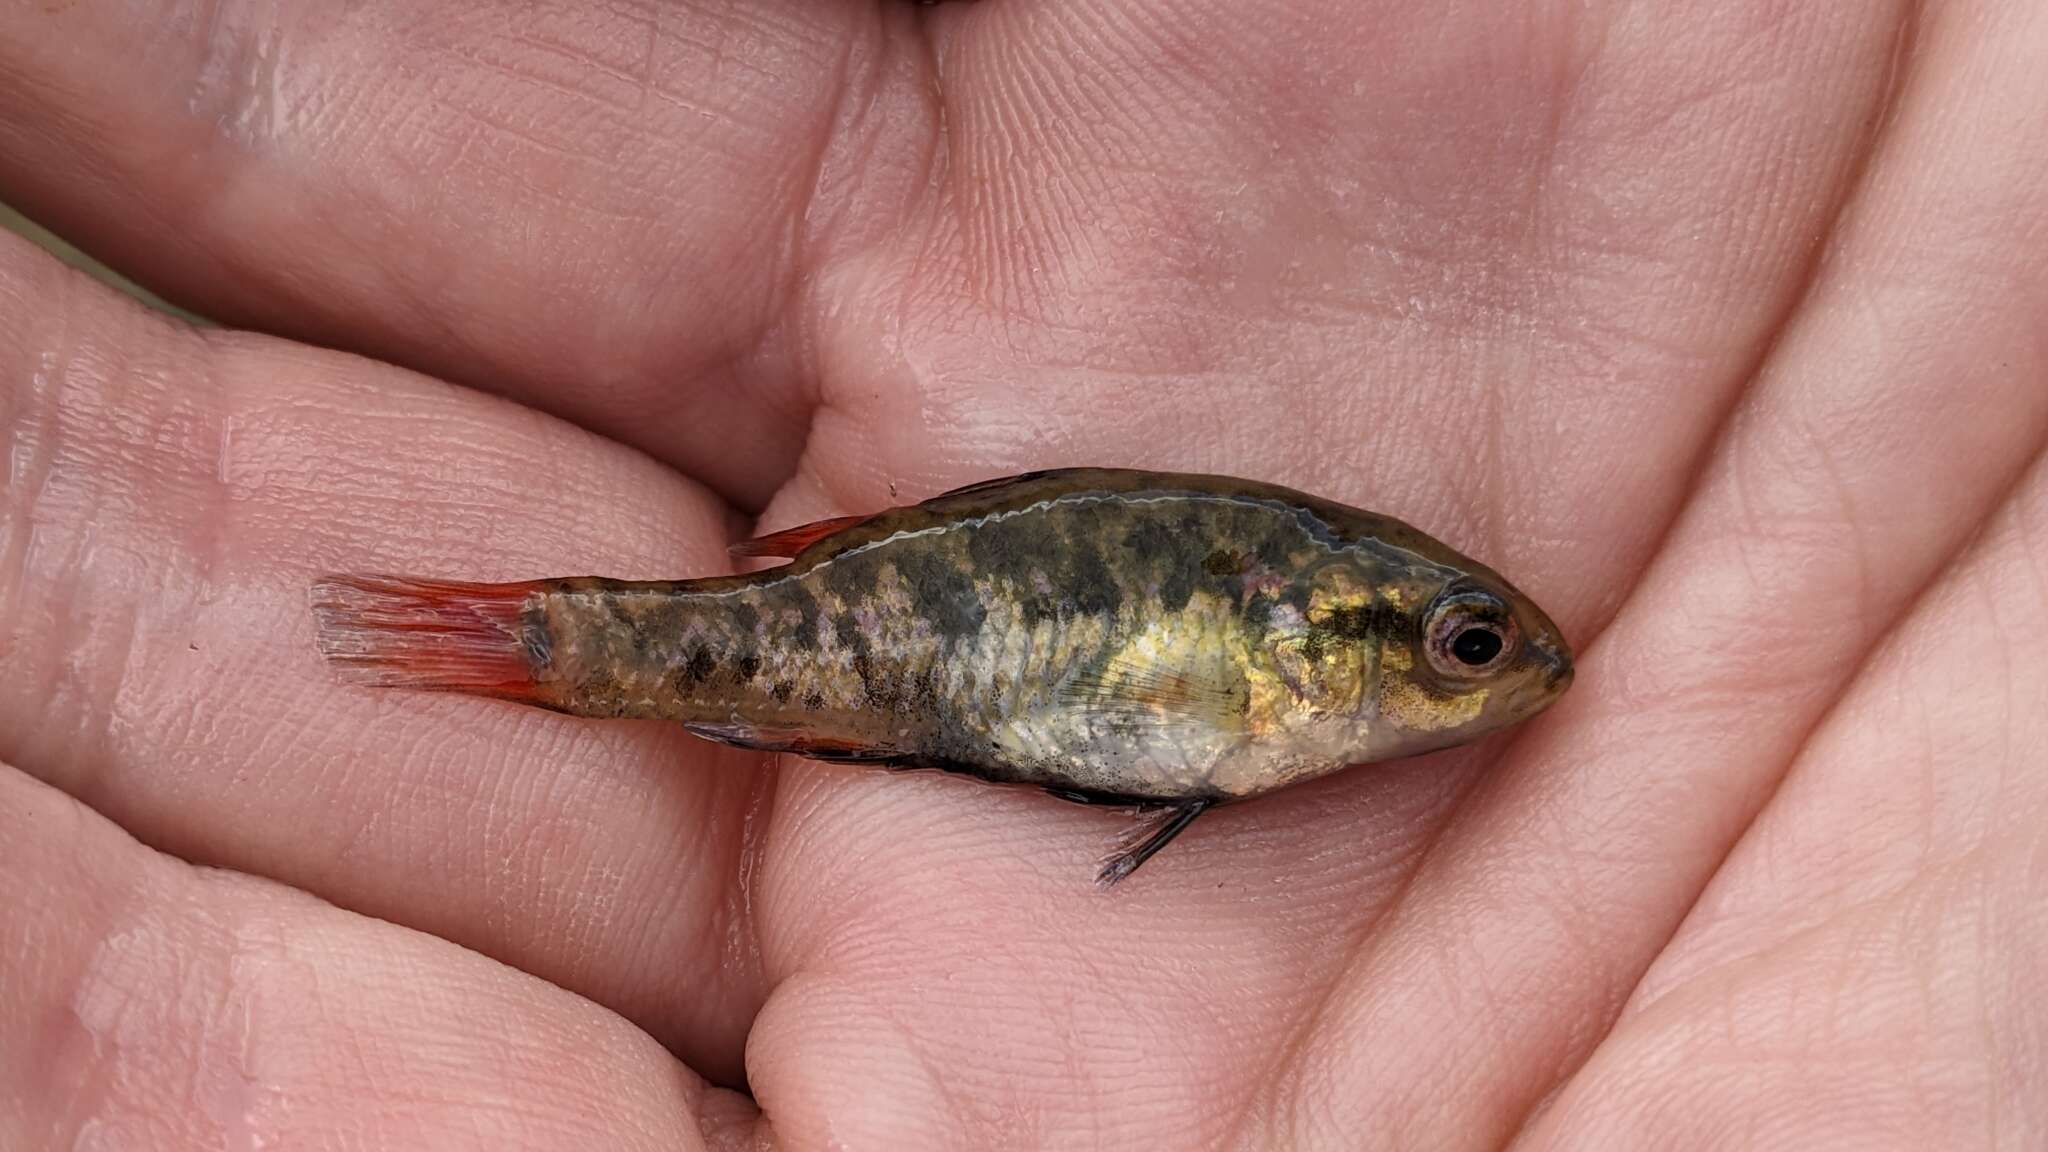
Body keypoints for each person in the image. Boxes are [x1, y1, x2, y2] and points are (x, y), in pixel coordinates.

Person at [0, 3, 2041, 1147]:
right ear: (1311, 641)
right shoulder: (1249, 656)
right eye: (1455, 645)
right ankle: (542, 647)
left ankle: (541, 647)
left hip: (906, 648)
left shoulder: (1278, 666)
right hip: (887, 640)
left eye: (1469, 645)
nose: (1493, 675)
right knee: (702, 656)